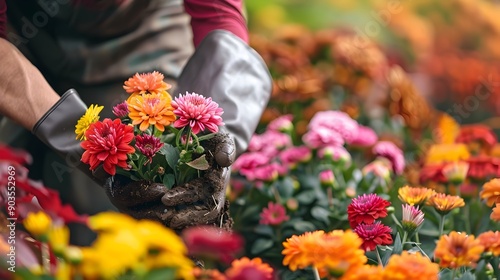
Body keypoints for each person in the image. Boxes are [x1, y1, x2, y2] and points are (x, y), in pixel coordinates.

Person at [0, 0, 271, 242]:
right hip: (17, 30)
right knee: (7, 190)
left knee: (126, 219)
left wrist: (209, 144)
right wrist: (94, 147)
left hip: (141, 31)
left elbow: (219, 15)